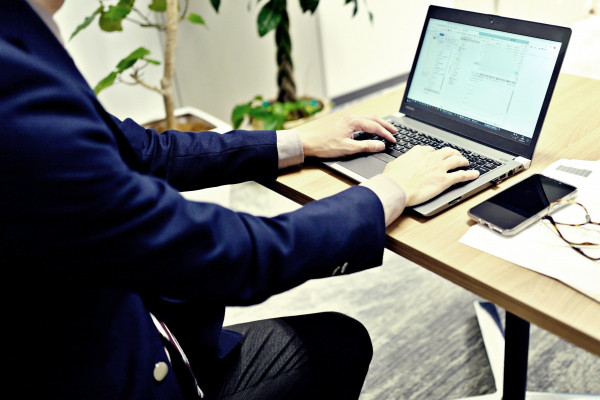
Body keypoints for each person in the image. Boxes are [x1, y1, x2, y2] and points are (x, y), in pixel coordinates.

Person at [0, 1, 479, 399]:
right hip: (106, 370)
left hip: (119, 331)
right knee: (337, 345)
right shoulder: (12, 84)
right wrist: (388, 192)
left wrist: (298, 141)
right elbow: (225, 254)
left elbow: (145, 150)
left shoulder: (21, 35)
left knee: (336, 340)